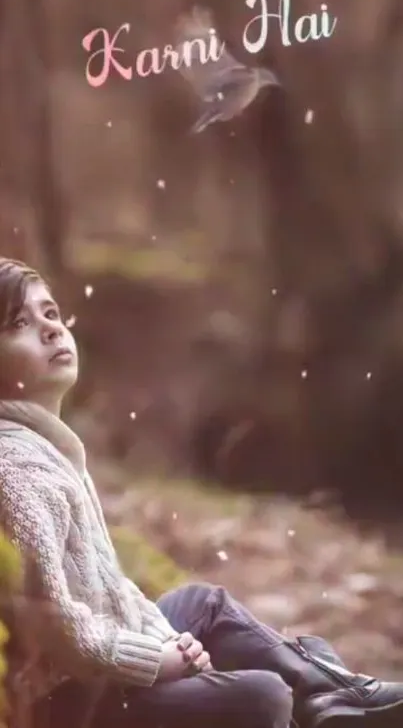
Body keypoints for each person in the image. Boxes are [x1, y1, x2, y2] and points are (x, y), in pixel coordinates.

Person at [0, 256, 402, 728]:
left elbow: (108, 592)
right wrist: (156, 659)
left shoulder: (50, 451)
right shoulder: (16, 468)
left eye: (51, 313)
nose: (50, 330)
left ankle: (331, 691)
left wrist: (166, 641)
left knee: (201, 605)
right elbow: (58, 627)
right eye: (20, 323)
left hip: (98, 674)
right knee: (264, 696)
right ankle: (322, 693)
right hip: (68, 706)